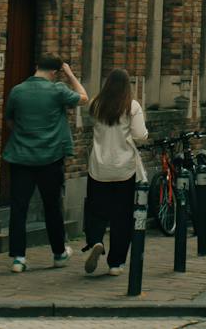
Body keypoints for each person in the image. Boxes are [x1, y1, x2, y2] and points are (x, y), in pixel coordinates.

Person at [3, 52, 88, 272]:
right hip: (50, 157)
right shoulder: (57, 90)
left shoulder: (17, 91)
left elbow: (10, 120)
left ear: (37, 67)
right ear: (54, 72)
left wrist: (24, 136)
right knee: (52, 206)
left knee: (18, 208)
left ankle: (18, 258)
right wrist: (69, 74)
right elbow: (84, 97)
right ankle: (58, 253)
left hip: (20, 156)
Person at [79, 68, 148, 276]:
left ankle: (96, 241)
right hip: (124, 169)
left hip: (99, 167)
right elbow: (139, 135)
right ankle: (116, 263)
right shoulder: (131, 106)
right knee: (122, 216)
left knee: (95, 210)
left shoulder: (96, 104)